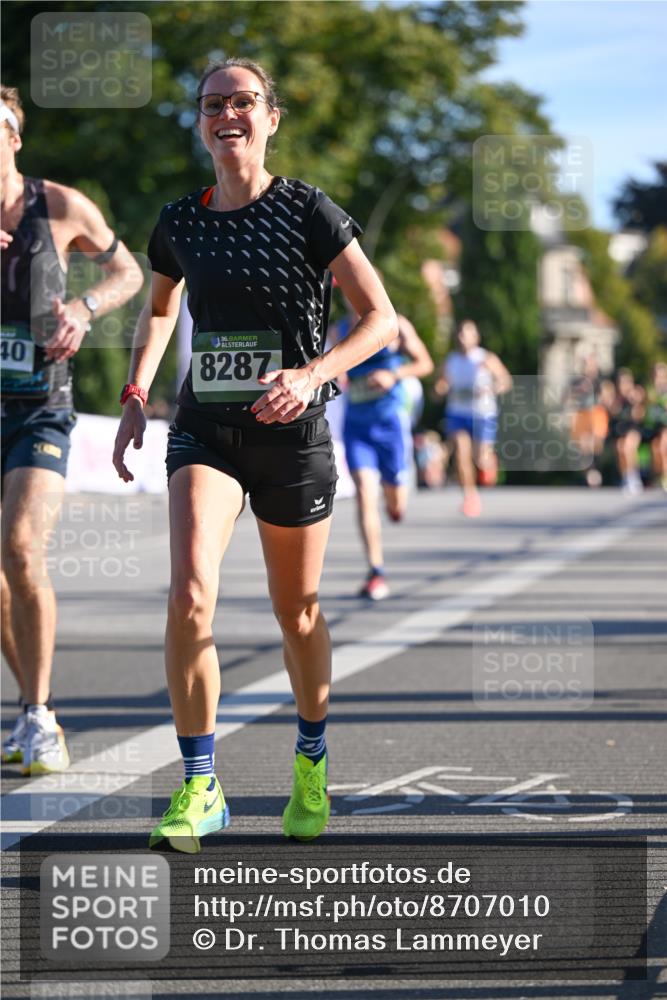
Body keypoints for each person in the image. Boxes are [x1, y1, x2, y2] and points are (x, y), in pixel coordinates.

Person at [112, 58, 398, 854]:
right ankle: (200, 784)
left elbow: (380, 320)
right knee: (189, 596)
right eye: (212, 105)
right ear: (200, 122)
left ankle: (310, 758)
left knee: (295, 611)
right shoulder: (179, 220)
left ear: (271, 117)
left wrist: (312, 375)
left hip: (293, 437)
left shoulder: (308, 210)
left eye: (242, 102)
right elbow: (161, 306)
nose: (226, 114)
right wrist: (137, 393)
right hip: (207, 431)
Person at [0, 86, 143, 774]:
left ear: (14, 138)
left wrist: (84, 308)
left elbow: (127, 270)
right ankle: (35, 711)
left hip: (39, 407)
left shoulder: (58, 205)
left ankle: (37, 713)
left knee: (22, 549)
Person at [335, 292, 433, 600]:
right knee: (364, 491)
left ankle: (395, 504)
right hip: (357, 424)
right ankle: (375, 570)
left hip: (390, 422)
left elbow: (424, 364)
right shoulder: (339, 330)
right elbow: (331, 364)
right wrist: (337, 375)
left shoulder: (396, 324)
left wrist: (393, 374)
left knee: (395, 502)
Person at [434, 320, 512, 516]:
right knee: (461, 453)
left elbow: (506, 380)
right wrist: (439, 389)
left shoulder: (485, 358)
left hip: (482, 413)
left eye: (467, 334)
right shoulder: (450, 360)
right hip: (457, 412)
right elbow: (440, 385)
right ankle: (470, 496)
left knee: (480, 459)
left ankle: (489, 460)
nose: (462, 338)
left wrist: (494, 388)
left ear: (476, 337)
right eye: (460, 334)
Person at [565, 353, 609, 488]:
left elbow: (607, 398)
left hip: (596, 413)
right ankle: (590, 472)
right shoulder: (577, 381)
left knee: (595, 444)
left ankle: (595, 470)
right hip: (582, 414)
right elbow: (568, 399)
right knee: (583, 445)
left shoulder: (601, 381)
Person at [608, 369, 644, 494]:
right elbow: (613, 415)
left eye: (627, 382)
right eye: (621, 382)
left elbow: (639, 416)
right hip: (619, 431)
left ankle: (634, 476)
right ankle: (626, 476)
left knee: (628, 445)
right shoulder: (616, 399)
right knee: (620, 447)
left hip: (634, 429)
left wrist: (634, 403)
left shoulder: (635, 395)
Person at [643, 362, 667, 490]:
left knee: (663, 447)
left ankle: (664, 477)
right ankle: (658, 475)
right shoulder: (649, 389)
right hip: (652, 425)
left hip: (665, 424)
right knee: (655, 449)